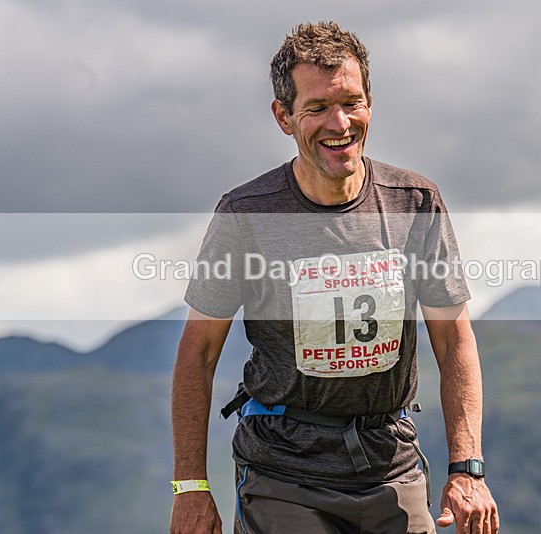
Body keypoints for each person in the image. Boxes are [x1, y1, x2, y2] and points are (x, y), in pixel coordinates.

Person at [170, 21, 499, 534]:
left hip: (392, 464)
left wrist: (468, 468)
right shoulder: (246, 215)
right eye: (317, 108)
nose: (339, 122)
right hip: (283, 473)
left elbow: (454, 340)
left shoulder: (415, 203)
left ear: (371, 103)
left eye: (351, 102)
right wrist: (191, 486)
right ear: (284, 116)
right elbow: (199, 352)